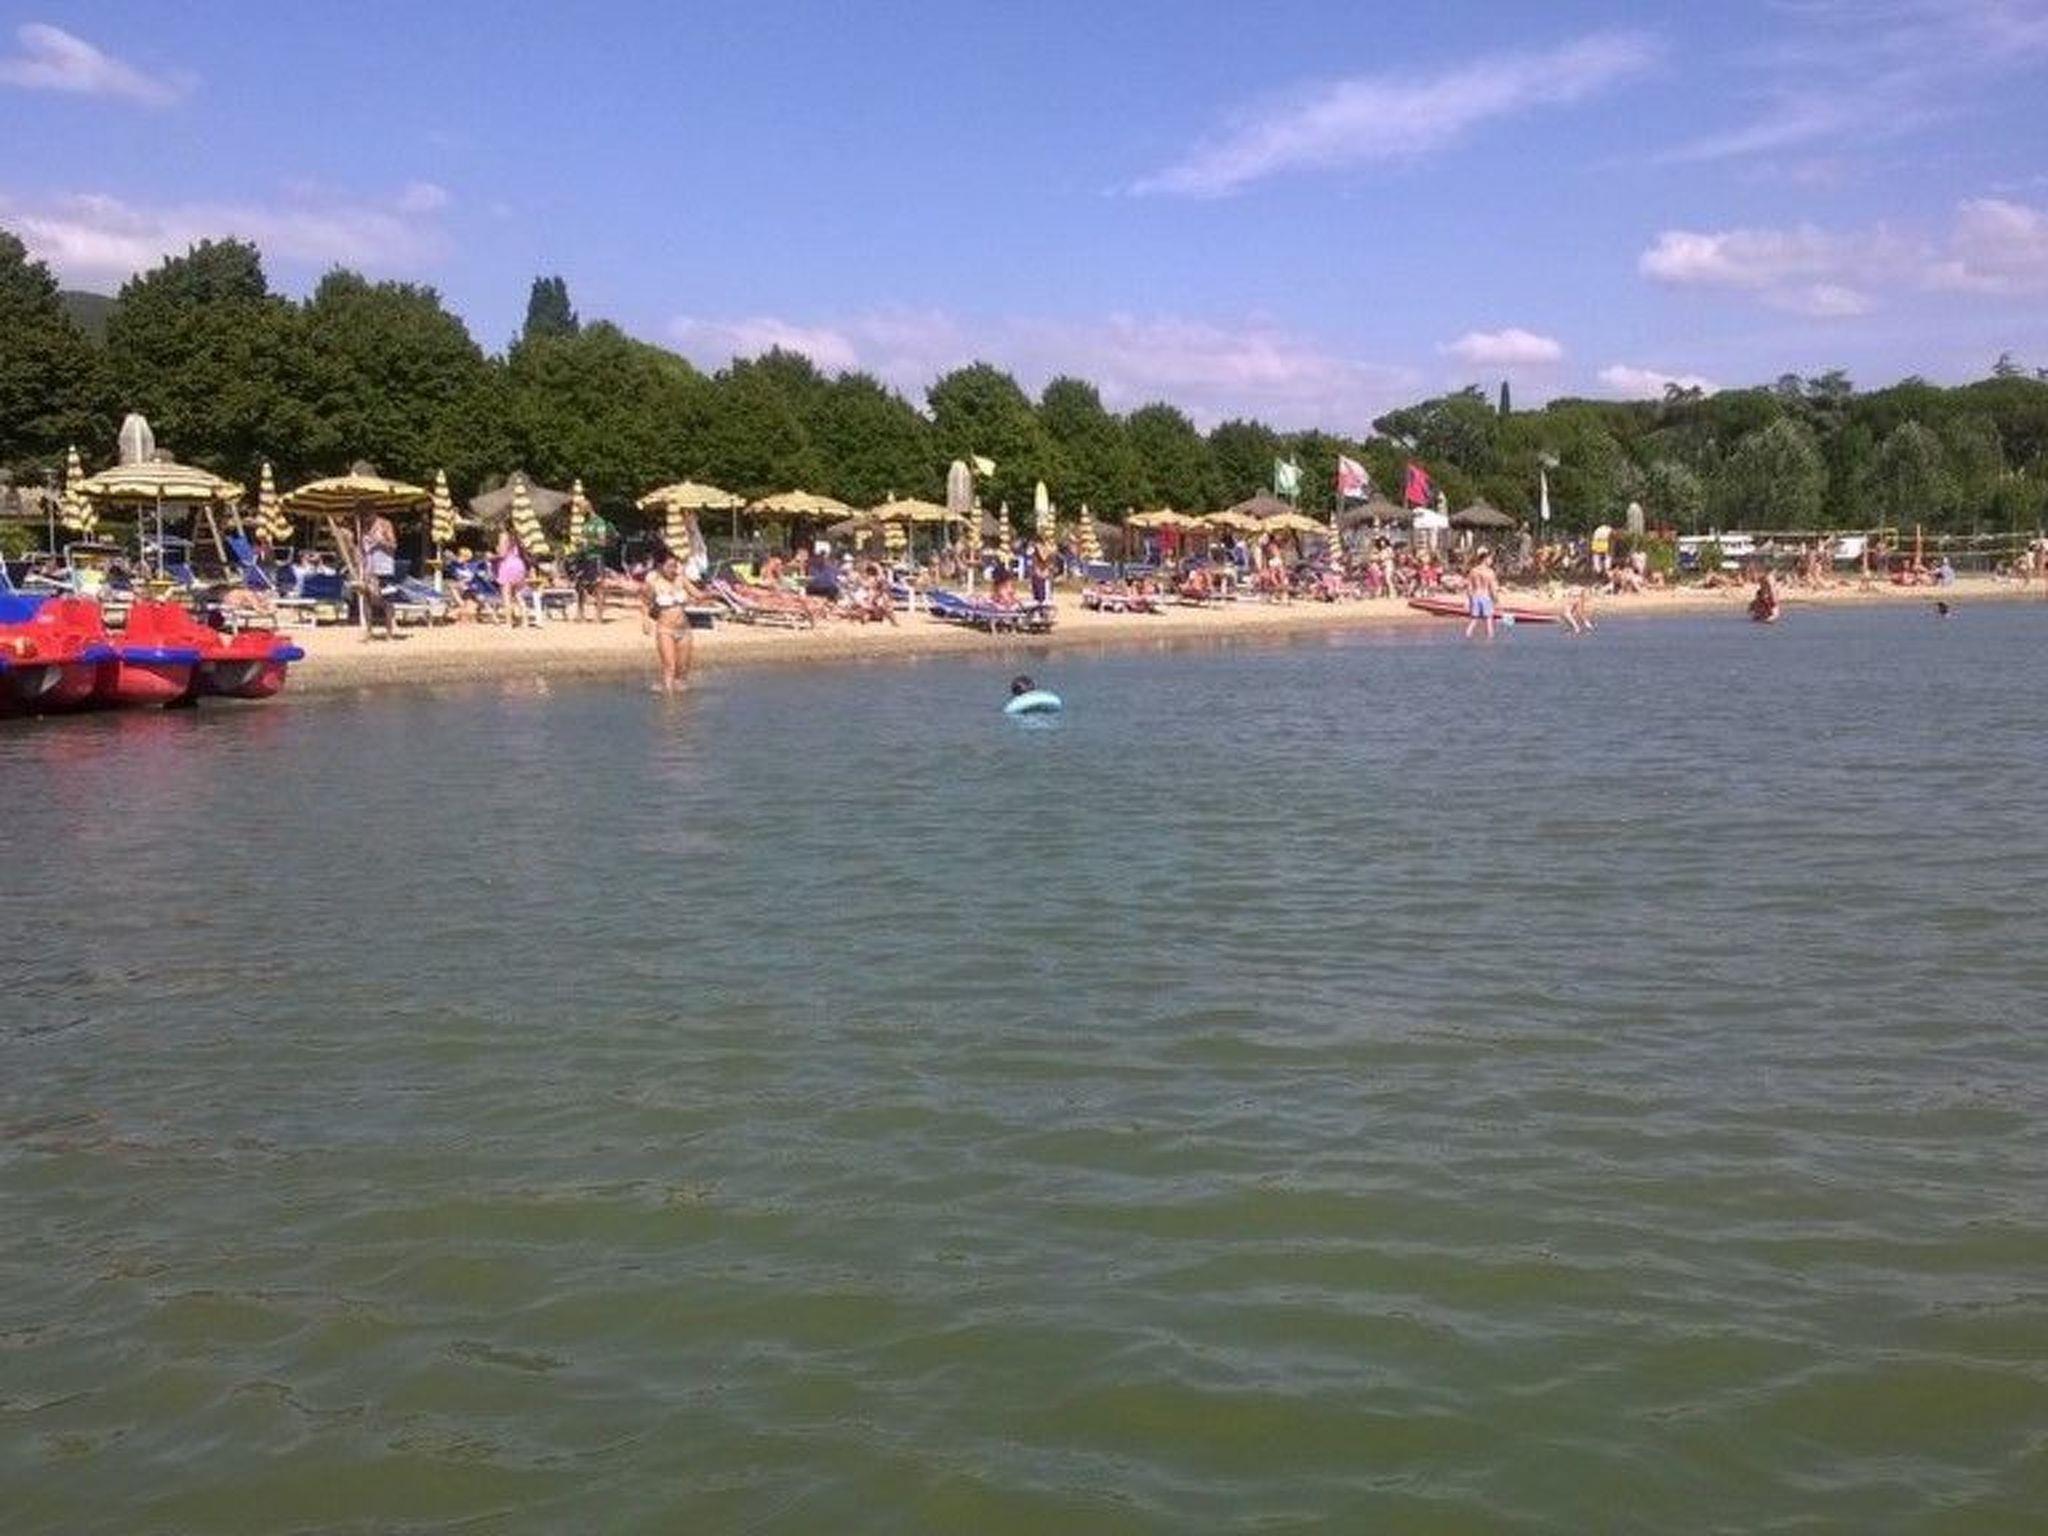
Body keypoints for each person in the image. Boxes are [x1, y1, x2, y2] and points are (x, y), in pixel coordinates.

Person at [643, 553, 693, 693]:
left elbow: (698, 594)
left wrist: (715, 594)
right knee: (670, 666)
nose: (673, 569)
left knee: (682, 669)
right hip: (665, 630)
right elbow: (645, 602)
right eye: (670, 566)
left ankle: (678, 699)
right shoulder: (654, 582)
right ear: (661, 566)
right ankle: (668, 701)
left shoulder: (681, 580)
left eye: (675, 566)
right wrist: (646, 621)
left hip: (685, 630)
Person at [496, 525, 532, 628]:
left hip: (507, 565)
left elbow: (502, 554)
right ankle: (525, 622)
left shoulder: (503, 536)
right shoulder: (517, 537)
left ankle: (509, 623)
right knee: (518, 595)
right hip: (519, 565)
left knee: (506, 596)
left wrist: (492, 556)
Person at [1463, 547, 1500, 639]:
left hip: (1475, 596)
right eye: (1490, 559)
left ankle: (1466, 637)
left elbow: (1469, 587)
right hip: (1485, 597)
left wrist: (1469, 599)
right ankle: (1490, 641)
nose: (1491, 561)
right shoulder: (1489, 572)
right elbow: (1492, 588)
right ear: (1485, 559)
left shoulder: (1473, 571)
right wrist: (1496, 599)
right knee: (1488, 620)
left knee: (1474, 620)